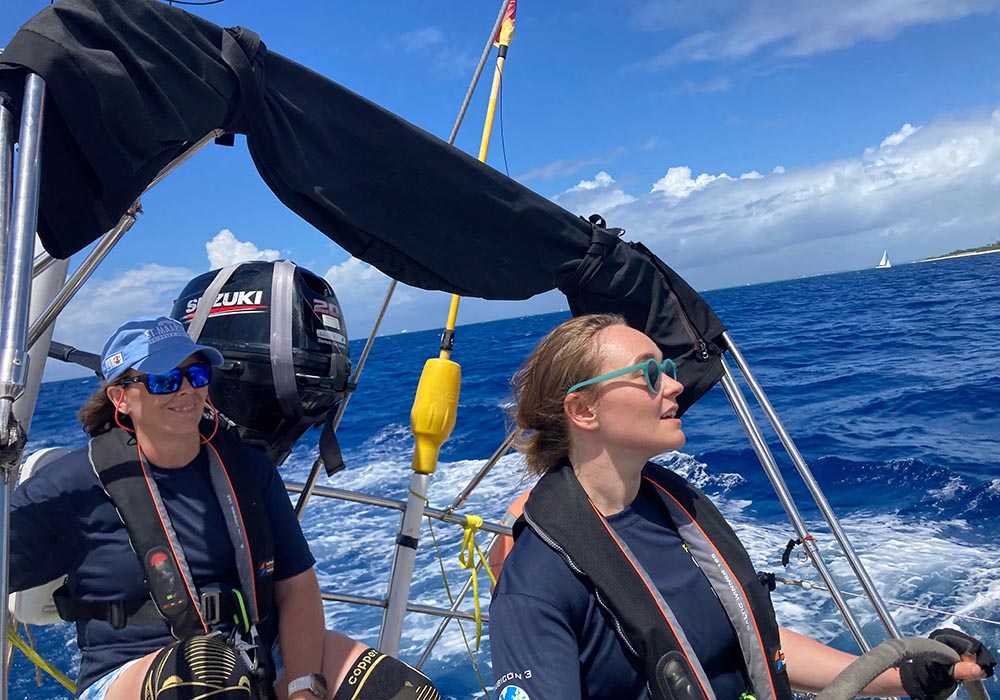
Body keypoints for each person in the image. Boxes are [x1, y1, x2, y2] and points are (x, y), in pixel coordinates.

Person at [489, 313, 995, 700]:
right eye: (648, 375)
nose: (675, 385)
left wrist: (903, 676)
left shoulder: (673, 512)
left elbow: (752, 639)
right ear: (583, 410)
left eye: (666, 369)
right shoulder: (537, 583)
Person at [10, 316, 439, 700]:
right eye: (162, 380)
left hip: (256, 651)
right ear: (121, 398)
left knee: (403, 693)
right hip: (130, 671)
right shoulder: (72, 486)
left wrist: (303, 687)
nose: (185, 390)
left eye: (195, 374)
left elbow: (296, 585)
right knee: (206, 674)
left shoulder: (246, 469)